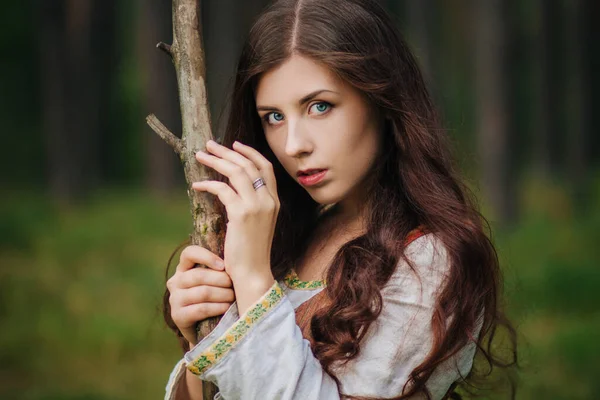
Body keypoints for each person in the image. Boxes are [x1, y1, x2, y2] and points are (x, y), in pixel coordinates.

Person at [162, 0, 517, 399]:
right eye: (274, 117)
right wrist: (202, 334)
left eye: (320, 106)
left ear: (381, 99)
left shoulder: (429, 262)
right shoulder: (286, 238)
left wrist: (254, 282)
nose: (294, 145)